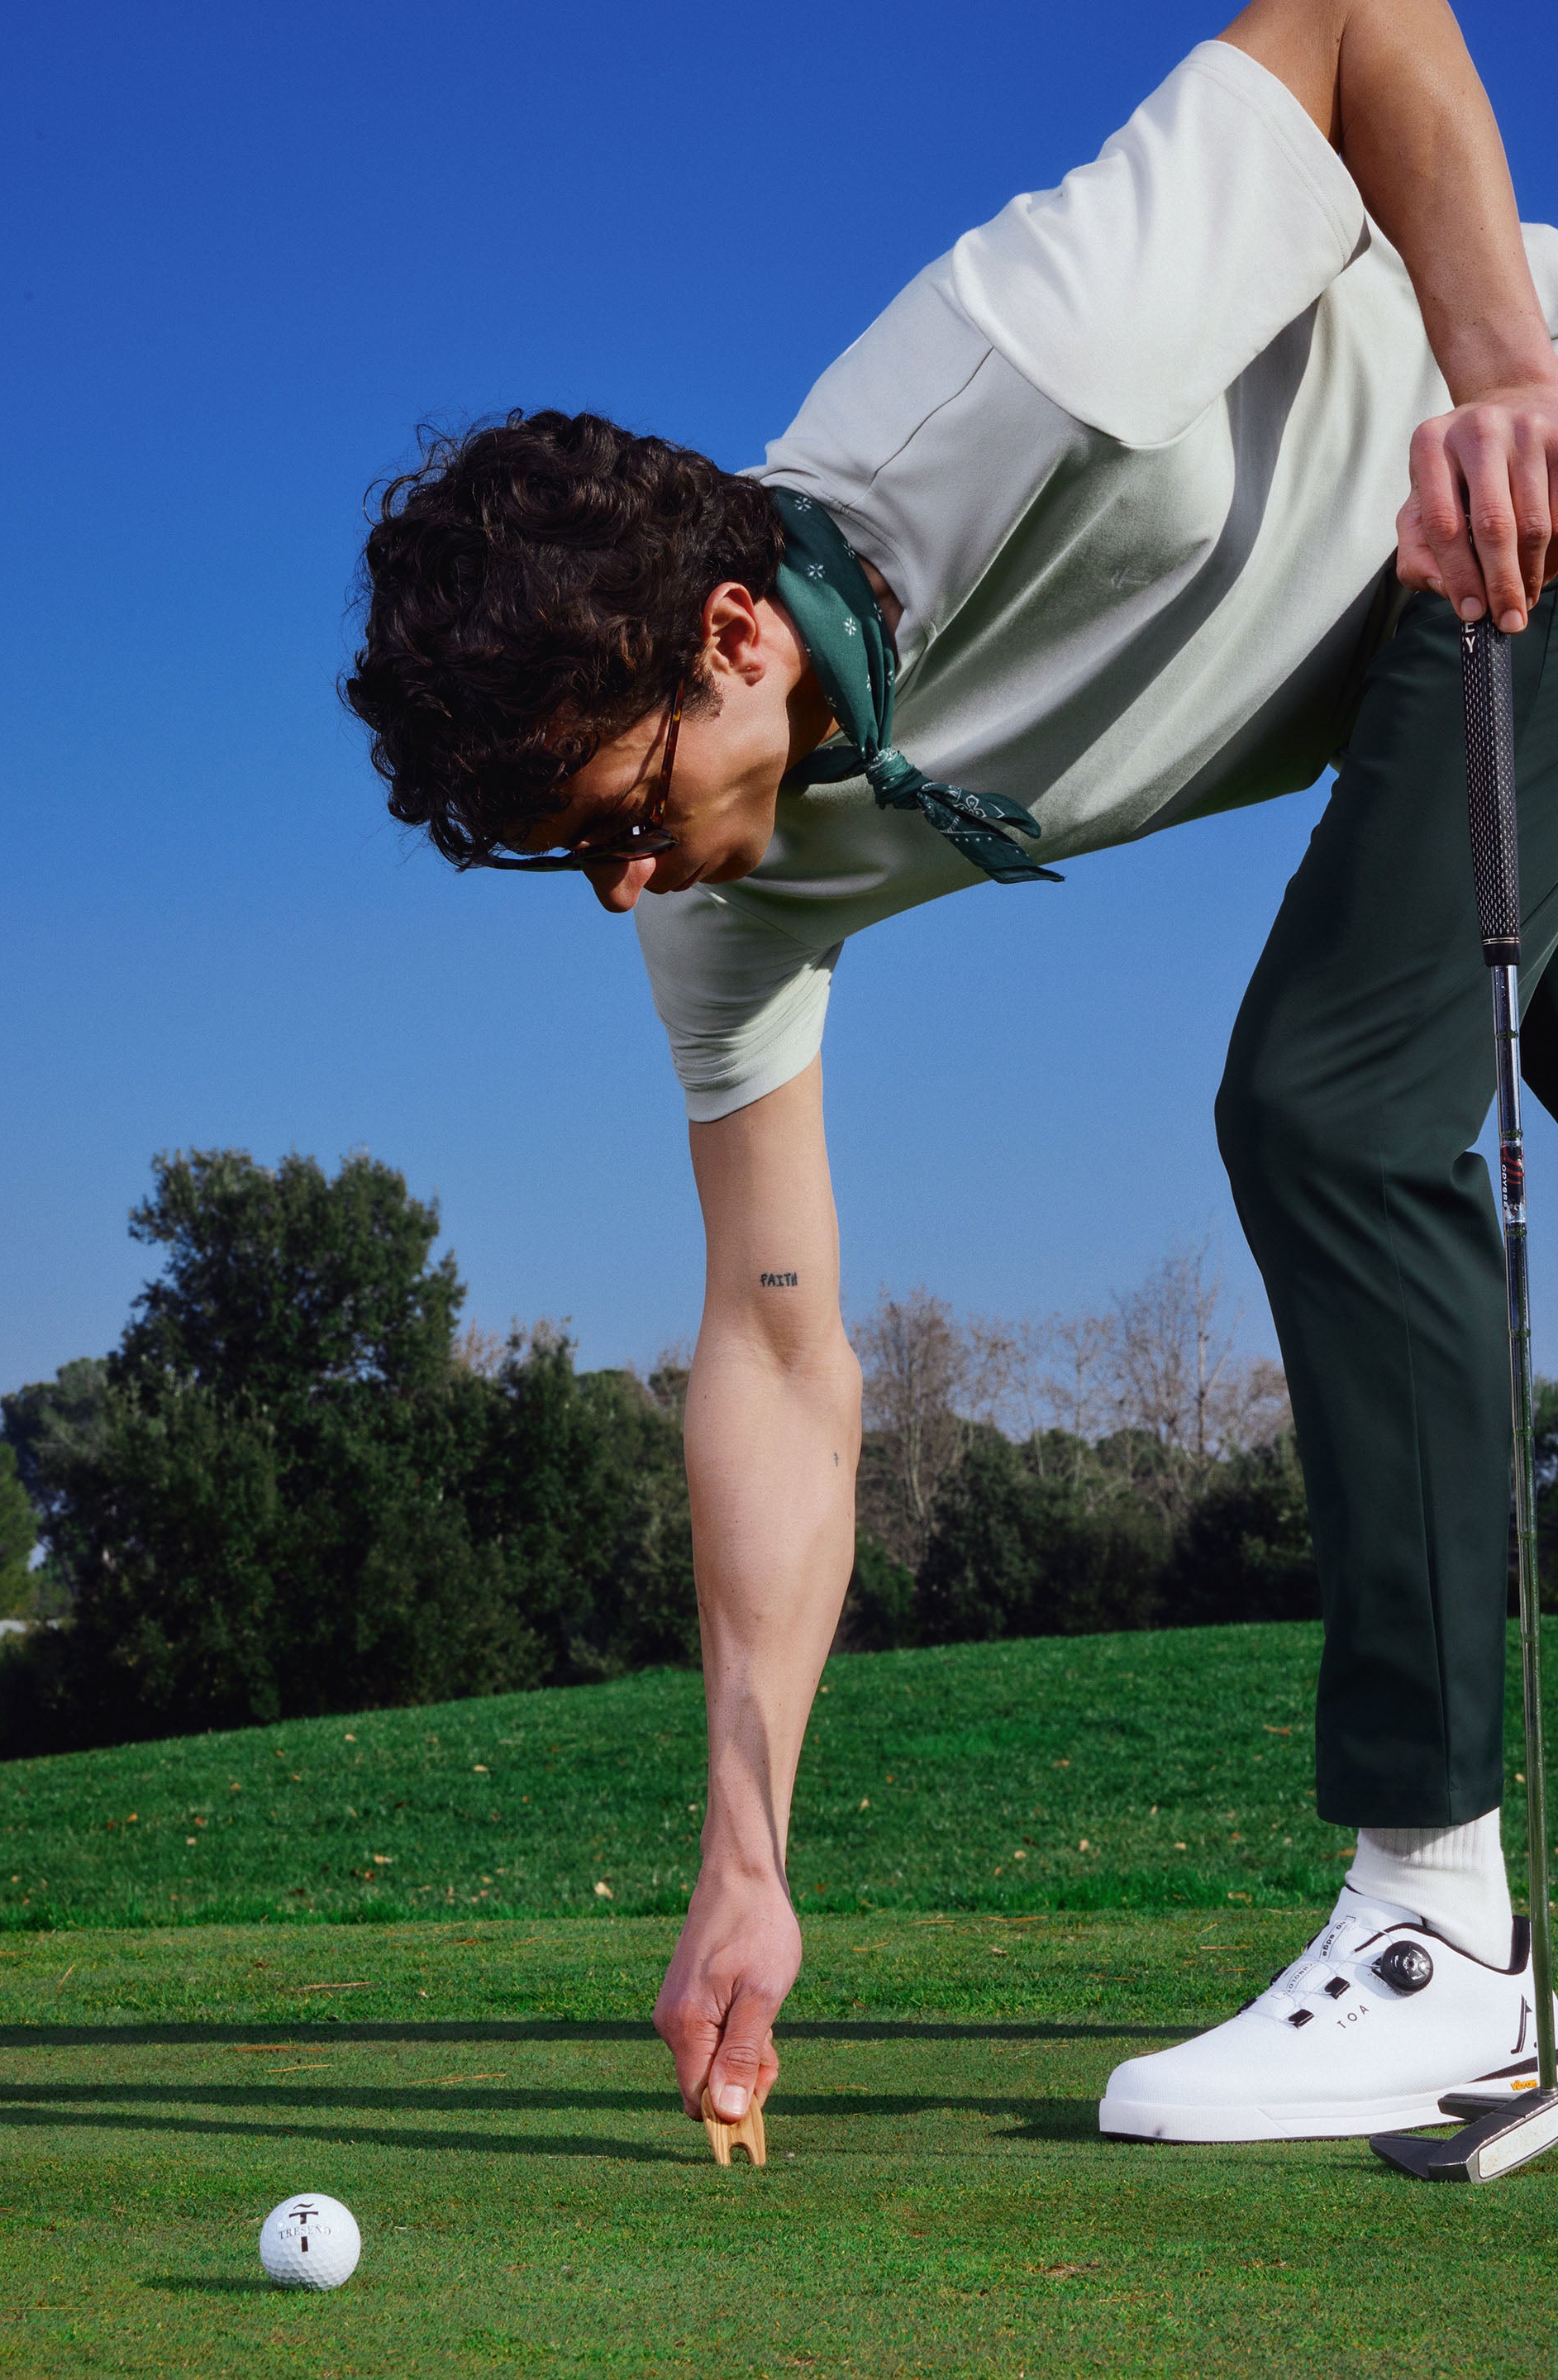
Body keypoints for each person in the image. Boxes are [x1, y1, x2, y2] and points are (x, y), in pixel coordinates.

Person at [345, 0, 1558, 2144]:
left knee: (1325, 1099)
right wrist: (748, 1859)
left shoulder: (1007, 368)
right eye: (568, 863)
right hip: (1436, 663)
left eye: (620, 819)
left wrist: (1505, 381)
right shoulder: (722, 908)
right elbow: (778, 1348)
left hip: (1514, 505)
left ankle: (1437, 1935)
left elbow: (1363, 25)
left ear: (728, 637)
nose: (620, 892)